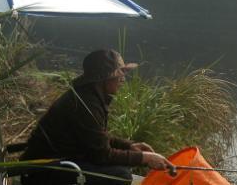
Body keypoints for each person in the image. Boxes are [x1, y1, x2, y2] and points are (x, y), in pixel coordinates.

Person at [20, 49, 173, 185]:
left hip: (55, 163)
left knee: (121, 170)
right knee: (121, 175)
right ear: (104, 78)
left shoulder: (88, 96)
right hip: (42, 172)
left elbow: (96, 139)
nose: (123, 79)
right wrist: (144, 158)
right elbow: (102, 155)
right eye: (120, 73)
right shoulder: (85, 103)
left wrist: (128, 146)